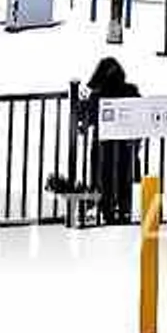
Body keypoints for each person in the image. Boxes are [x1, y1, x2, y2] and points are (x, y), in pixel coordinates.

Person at [51, 55, 143, 225]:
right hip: (126, 149)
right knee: (124, 182)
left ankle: (107, 211)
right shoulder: (131, 92)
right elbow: (141, 119)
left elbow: (85, 120)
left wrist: (79, 108)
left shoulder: (98, 96)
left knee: (104, 181)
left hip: (103, 149)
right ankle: (123, 213)